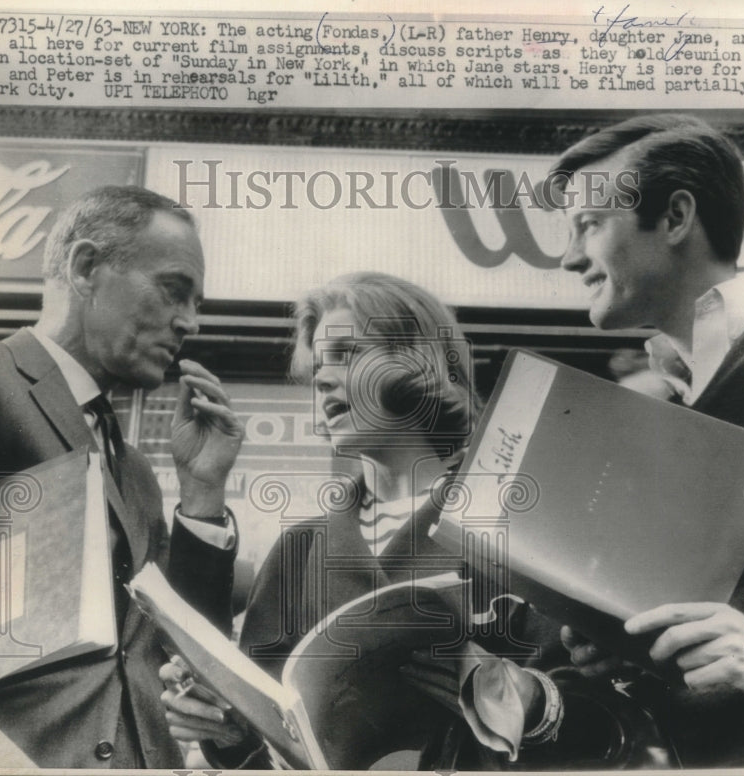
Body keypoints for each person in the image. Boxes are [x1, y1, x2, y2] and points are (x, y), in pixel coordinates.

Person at [160, 272, 565, 769]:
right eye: (319, 367)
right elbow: (260, 748)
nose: (323, 378)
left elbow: (595, 707)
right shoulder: (301, 549)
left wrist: (528, 698)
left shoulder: (515, 518)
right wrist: (223, 733)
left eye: (348, 354)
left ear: (421, 360)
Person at [0, 186, 243, 768]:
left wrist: (202, 493)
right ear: (86, 267)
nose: (189, 322)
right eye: (174, 290)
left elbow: (186, 658)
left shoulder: (137, 471)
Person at [548, 113, 744, 765]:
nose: (568, 258)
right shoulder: (671, 398)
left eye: (588, 225)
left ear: (675, 217)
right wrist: (625, 650)